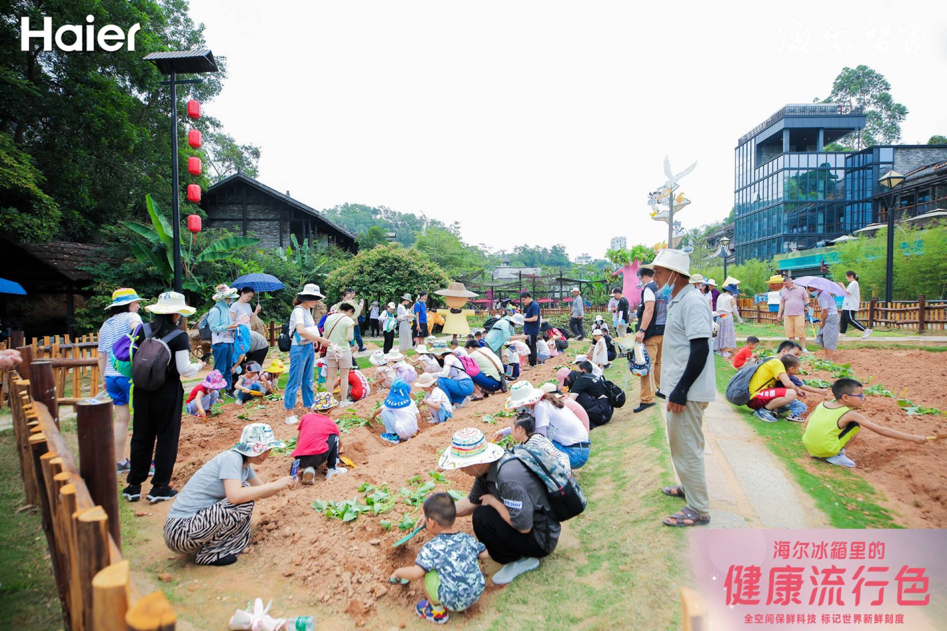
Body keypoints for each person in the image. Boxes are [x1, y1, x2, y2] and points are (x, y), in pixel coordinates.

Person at [439, 427, 559, 585]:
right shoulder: (486, 470)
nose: (460, 469)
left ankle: (520, 561)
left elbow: (524, 527)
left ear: (476, 461)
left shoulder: (507, 477)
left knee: (482, 516)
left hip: (541, 539)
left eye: (463, 464)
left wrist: (494, 502)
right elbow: (471, 502)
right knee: (482, 511)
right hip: (533, 524)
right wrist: (440, 513)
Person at [647, 249, 715, 528]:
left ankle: (698, 509)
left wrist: (681, 390)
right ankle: (689, 488)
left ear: (675, 274)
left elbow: (700, 349)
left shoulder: (693, 302)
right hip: (681, 387)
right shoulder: (679, 300)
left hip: (688, 390)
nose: (655, 277)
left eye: (659, 272)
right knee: (682, 444)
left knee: (687, 447)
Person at [164, 423, 294, 566]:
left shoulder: (244, 465)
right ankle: (211, 554)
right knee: (243, 496)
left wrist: (284, 483)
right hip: (179, 531)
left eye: (268, 450)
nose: (266, 455)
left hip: (189, 528)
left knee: (246, 492)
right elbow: (234, 496)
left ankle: (220, 547)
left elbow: (262, 491)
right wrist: (274, 485)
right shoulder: (232, 458)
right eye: (262, 450)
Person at [123, 292, 203, 504]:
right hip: (167, 390)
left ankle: (133, 485)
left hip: (142, 388)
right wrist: (199, 366)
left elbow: (131, 356)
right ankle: (159, 487)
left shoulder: (142, 330)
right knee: (167, 438)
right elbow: (184, 369)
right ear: (176, 313)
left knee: (141, 436)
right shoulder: (179, 336)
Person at [389, 492, 488, 625]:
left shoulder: (432, 547)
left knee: (425, 571)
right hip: (476, 593)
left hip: (453, 601)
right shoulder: (467, 538)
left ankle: (436, 611)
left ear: (431, 523)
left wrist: (397, 573)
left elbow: (415, 573)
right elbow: (484, 555)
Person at [802, 378, 927, 468]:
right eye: (860, 395)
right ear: (846, 397)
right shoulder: (850, 414)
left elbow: (807, 422)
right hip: (827, 450)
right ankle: (837, 456)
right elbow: (881, 430)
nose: (863, 398)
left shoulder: (822, 404)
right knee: (854, 426)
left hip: (809, 446)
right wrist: (913, 438)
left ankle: (822, 449)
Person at [97, 288, 144, 472]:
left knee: (121, 420)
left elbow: (101, 355)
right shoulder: (131, 317)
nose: (138, 306)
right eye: (136, 303)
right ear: (128, 305)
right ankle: (143, 462)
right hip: (129, 376)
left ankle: (120, 461)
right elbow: (139, 330)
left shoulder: (105, 325)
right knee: (142, 418)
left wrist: (103, 378)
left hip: (111, 376)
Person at [502, 381, 590, 469]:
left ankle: (558, 473)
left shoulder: (541, 407)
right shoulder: (542, 403)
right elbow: (527, 426)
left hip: (575, 453)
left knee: (533, 449)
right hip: (579, 448)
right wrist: (504, 432)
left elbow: (540, 438)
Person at [284, 285, 331, 426]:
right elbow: (301, 330)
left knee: (308, 380)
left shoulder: (308, 310)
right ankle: (289, 412)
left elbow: (309, 330)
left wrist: (314, 340)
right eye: (315, 298)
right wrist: (320, 339)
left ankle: (309, 407)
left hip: (308, 347)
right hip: (299, 348)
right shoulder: (298, 311)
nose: (317, 301)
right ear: (307, 298)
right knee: (295, 381)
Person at [634, 266, 667, 413]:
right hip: (665, 331)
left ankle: (647, 398)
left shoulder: (649, 288)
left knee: (646, 365)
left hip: (652, 333)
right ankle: (662, 389)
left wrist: (641, 330)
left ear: (645, 276)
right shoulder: (666, 287)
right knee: (658, 363)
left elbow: (649, 309)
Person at [292, 393, 347, 483]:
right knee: (334, 436)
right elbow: (339, 443)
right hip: (318, 457)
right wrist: (340, 448)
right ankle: (332, 469)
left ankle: (309, 469)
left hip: (300, 458)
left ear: (315, 409)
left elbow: (299, 438)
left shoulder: (305, 418)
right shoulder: (331, 423)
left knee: (311, 450)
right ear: (330, 411)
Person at [746, 353, 805, 423]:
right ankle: (763, 411)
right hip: (755, 397)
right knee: (791, 393)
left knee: (788, 395)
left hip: (753, 396)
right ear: (784, 350)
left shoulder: (772, 360)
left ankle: (768, 410)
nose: (795, 355)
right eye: (795, 353)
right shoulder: (777, 363)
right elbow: (788, 384)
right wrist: (797, 391)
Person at [323, 302, 357, 407]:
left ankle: (328, 401)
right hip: (344, 351)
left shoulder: (329, 318)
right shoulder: (349, 321)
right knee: (344, 377)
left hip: (331, 350)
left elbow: (325, 335)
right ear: (350, 311)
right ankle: (343, 401)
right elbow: (350, 338)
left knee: (331, 377)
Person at [370, 378, 421, 445]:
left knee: (384, 412)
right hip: (413, 431)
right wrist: (416, 429)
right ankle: (406, 435)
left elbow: (377, 411)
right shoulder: (411, 401)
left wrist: (372, 417)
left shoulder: (392, 403)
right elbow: (419, 417)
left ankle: (392, 436)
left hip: (403, 432)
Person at [564, 361, 612, 428]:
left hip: (602, 414)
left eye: (565, 383)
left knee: (580, 397)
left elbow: (570, 401)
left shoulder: (580, 381)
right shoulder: (587, 376)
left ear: (568, 378)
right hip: (608, 409)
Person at [778, 277, 811, 353]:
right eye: (784, 284)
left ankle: (803, 348)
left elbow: (806, 299)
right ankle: (793, 348)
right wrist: (779, 314)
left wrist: (808, 308)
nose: (785, 285)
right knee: (790, 333)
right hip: (787, 314)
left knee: (801, 331)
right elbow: (782, 303)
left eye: (786, 284)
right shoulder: (783, 292)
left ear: (791, 282)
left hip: (799, 314)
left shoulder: (801, 289)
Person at [839, 271, 871, 339]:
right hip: (846, 305)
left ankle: (865, 330)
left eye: (846, 276)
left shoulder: (854, 283)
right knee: (843, 319)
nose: (846, 278)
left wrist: (842, 285)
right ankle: (842, 333)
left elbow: (847, 292)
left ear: (851, 276)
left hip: (851, 305)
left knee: (850, 319)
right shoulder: (851, 283)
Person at [812, 287, 841, 361]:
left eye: (812, 289)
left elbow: (825, 310)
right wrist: (815, 306)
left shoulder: (823, 296)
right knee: (824, 337)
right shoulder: (820, 295)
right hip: (828, 317)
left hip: (831, 318)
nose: (810, 291)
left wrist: (823, 322)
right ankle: (826, 357)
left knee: (829, 338)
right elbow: (824, 305)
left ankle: (829, 358)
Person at [714, 284, 739, 358]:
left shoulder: (720, 296)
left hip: (720, 315)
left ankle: (719, 350)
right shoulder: (731, 298)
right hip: (727, 315)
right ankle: (725, 351)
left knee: (720, 332)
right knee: (726, 332)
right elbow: (735, 310)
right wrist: (739, 319)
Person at [520, 292, 541, 367]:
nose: (523, 302)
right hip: (528, 329)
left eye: (524, 300)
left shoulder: (534, 305)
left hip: (532, 330)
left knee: (532, 346)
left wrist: (524, 319)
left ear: (528, 297)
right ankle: (530, 362)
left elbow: (535, 318)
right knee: (528, 346)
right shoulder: (528, 306)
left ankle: (533, 363)